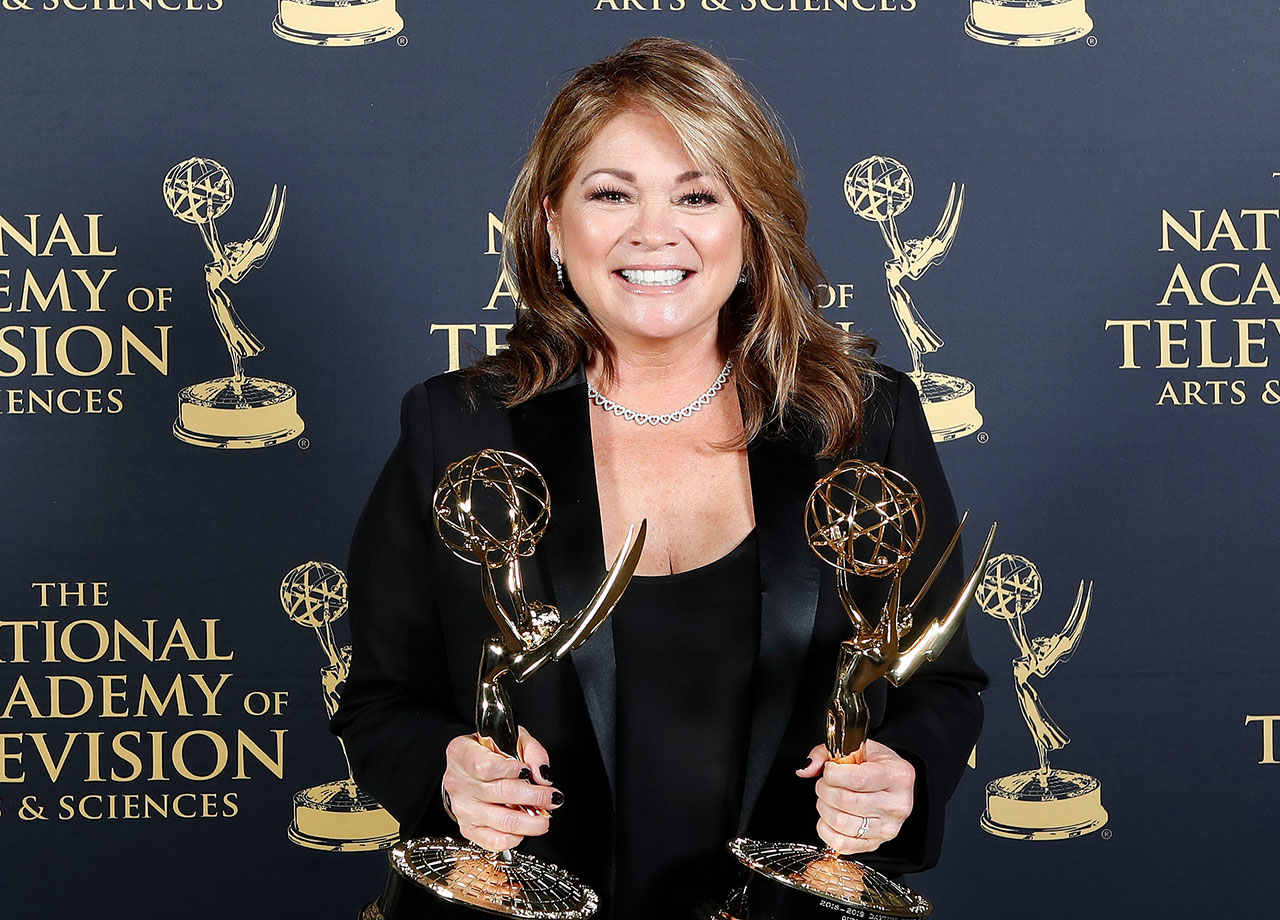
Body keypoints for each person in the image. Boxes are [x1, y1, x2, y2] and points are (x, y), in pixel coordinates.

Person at [332, 36, 986, 920]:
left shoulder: (865, 422)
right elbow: (380, 700)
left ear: (750, 231)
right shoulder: (458, 427)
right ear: (552, 225)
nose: (654, 233)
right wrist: (448, 774)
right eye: (611, 194)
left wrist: (901, 778)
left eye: (697, 195)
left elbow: (943, 685)